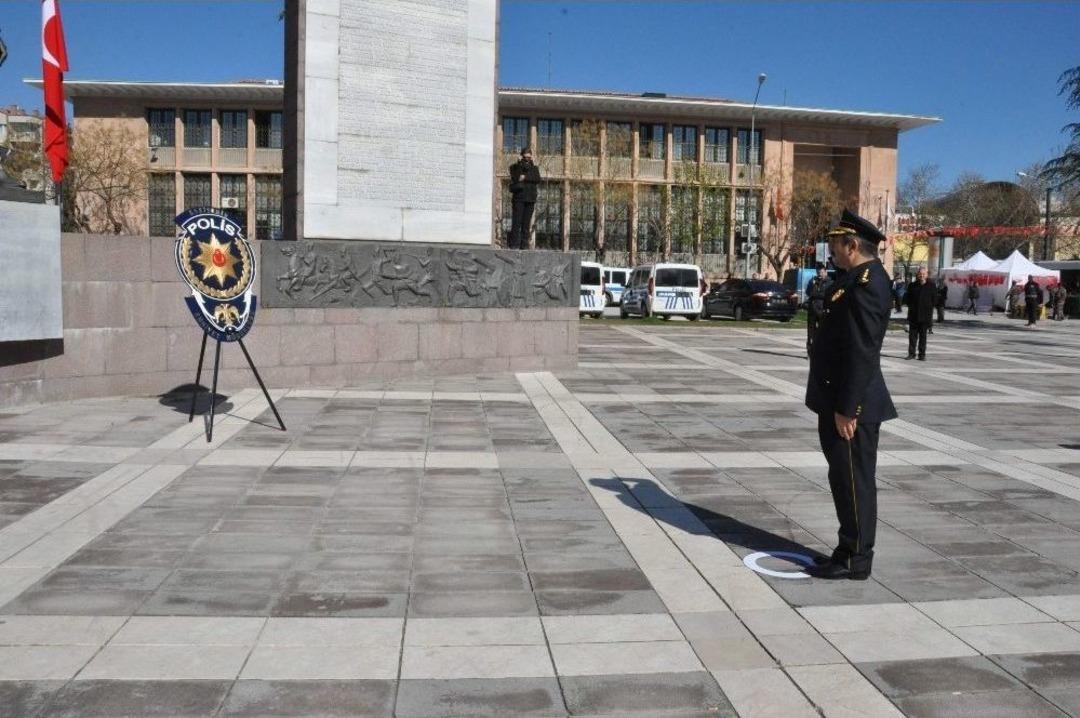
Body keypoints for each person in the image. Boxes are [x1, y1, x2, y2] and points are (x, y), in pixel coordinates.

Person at [806, 209, 896, 581]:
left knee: (854, 480)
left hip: (850, 405)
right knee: (843, 478)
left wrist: (847, 408)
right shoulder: (854, 279)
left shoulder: (868, 283)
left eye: (834, 244)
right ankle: (847, 547)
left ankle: (857, 557)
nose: (831, 251)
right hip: (838, 399)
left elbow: (863, 349)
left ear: (852, 245)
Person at [508, 147, 541, 250]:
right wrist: (519, 164)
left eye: (529, 157)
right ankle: (514, 245)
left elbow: (537, 179)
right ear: (521, 156)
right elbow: (515, 177)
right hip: (519, 198)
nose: (527, 159)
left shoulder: (534, 168)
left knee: (526, 225)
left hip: (530, 200)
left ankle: (524, 246)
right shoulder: (514, 167)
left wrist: (525, 177)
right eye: (525, 157)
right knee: (516, 223)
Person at [904, 267, 935, 361]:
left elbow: (934, 300)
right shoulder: (912, 285)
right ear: (917, 275)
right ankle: (911, 354)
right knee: (912, 337)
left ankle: (922, 355)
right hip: (913, 315)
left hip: (925, 316)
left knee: (923, 337)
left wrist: (928, 306)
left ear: (927, 275)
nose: (922, 275)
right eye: (920, 274)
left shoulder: (931, 286)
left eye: (923, 274)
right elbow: (907, 299)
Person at [805, 263, 832, 356]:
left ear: (825, 272)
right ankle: (810, 352)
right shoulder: (813, 281)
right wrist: (813, 287)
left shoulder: (830, 282)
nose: (819, 274)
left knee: (822, 332)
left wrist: (815, 294)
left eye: (821, 272)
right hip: (812, 309)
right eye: (818, 272)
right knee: (810, 332)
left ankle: (822, 351)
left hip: (822, 310)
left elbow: (827, 295)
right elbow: (808, 292)